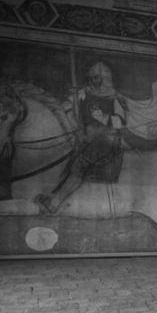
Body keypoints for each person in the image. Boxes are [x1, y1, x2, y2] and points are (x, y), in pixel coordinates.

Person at [35, 61, 126, 213]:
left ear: (105, 78)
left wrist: (103, 117)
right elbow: (65, 107)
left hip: (106, 138)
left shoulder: (114, 97)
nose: (94, 81)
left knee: (80, 164)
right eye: (92, 77)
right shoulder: (83, 93)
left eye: (97, 78)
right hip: (86, 136)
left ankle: (55, 204)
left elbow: (120, 122)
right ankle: (53, 193)